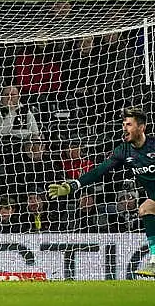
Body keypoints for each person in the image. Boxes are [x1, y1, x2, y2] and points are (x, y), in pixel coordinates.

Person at [49, 107, 155, 277]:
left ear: (142, 127)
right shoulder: (123, 151)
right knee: (145, 209)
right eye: (123, 124)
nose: (124, 128)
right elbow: (100, 171)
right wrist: (74, 185)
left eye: (129, 124)